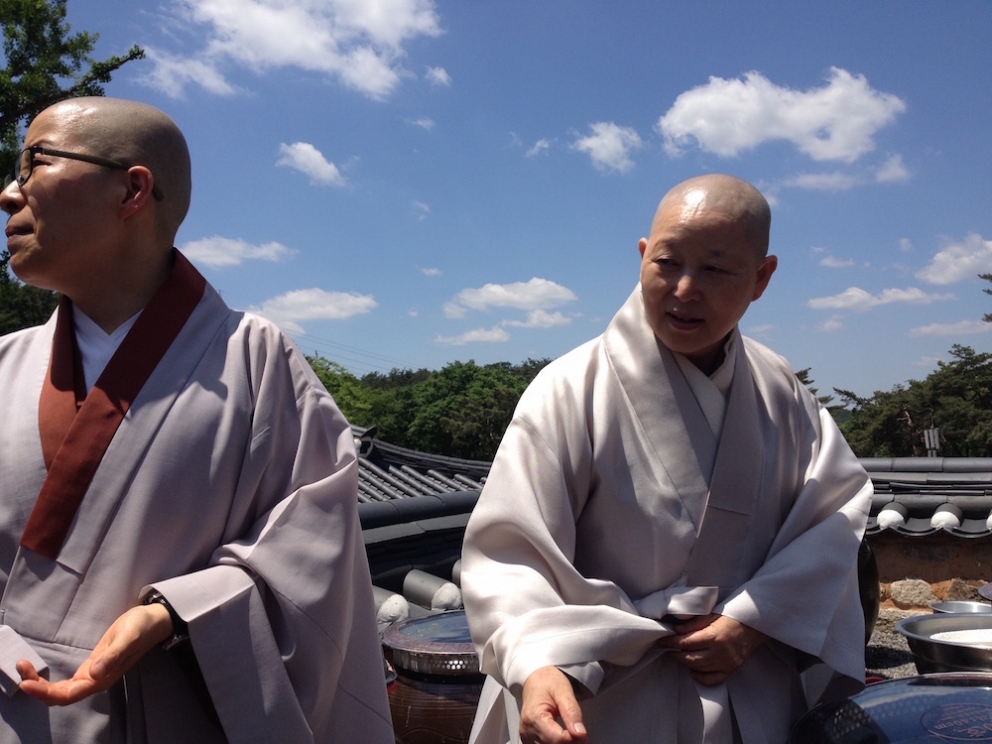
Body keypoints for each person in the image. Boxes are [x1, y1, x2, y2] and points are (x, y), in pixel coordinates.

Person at [0, 97, 393, 743]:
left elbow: (314, 554)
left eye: (33, 163)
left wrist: (178, 613)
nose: (8, 194)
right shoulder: (5, 366)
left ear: (133, 190)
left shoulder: (256, 362)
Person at [460, 174, 872, 744]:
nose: (683, 289)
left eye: (715, 269)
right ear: (641, 256)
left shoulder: (781, 390)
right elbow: (510, 553)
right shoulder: (569, 389)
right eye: (667, 262)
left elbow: (835, 514)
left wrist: (755, 620)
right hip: (603, 697)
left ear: (761, 279)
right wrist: (535, 662)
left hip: (748, 678)